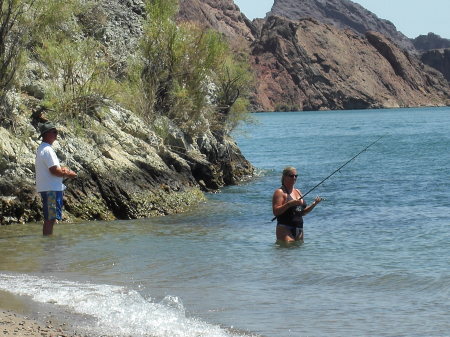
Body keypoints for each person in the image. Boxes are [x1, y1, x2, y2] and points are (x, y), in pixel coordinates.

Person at [35, 122, 77, 235]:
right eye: (54, 132)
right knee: (50, 218)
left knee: (51, 217)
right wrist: (68, 174)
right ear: (47, 134)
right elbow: (54, 170)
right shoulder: (47, 149)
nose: (56, 134)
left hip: (49, 188)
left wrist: (63, 170)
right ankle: (48, 243)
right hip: (51, 189)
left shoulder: (43, 148)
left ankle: (48, 242)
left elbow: (53, 168)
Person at [272, 166, 322, 242]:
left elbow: (302, 212)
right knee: (288, 252)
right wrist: (289, 204)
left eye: (296, 176)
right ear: (285, 177)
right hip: (285, 228)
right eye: (291, 176)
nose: (294, 178)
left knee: (299, 253)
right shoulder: (280, 192)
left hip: (299, 228)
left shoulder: (298, 191)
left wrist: (314, 204)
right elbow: (276, 212)